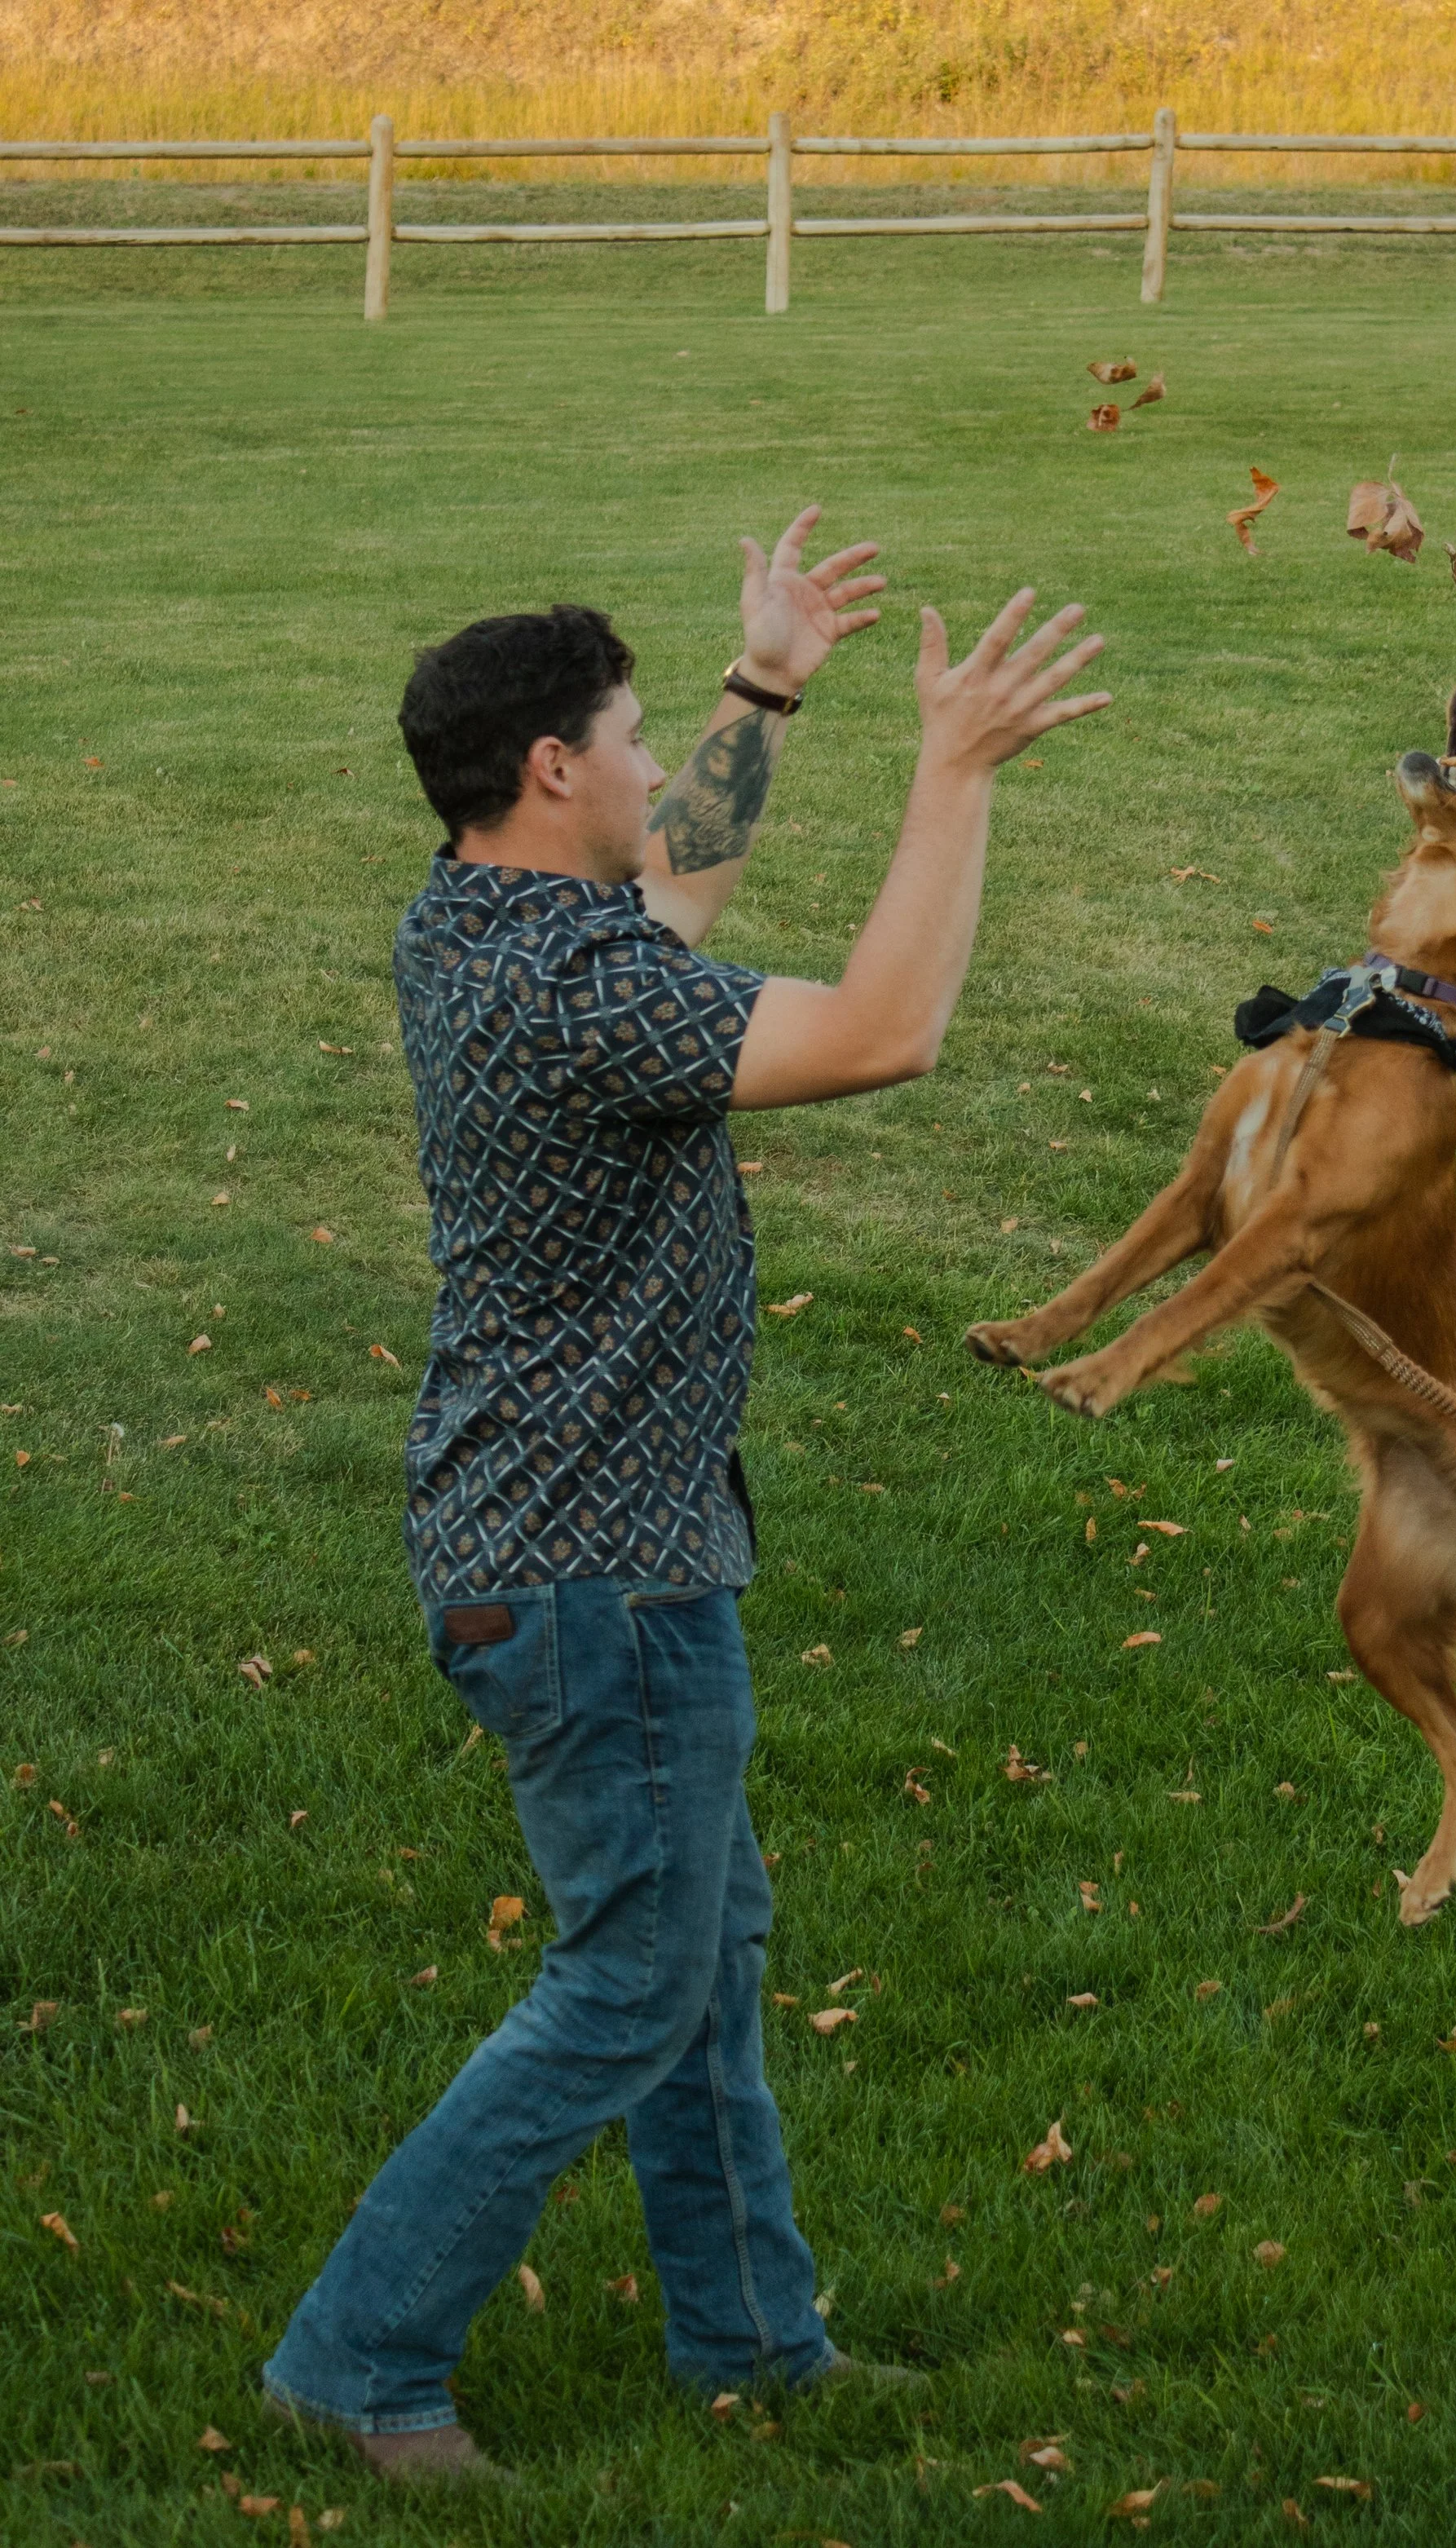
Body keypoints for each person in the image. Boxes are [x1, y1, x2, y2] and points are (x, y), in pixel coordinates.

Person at [262, 509, 1109, 2481]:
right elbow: (885, 1030)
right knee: (634, 1976)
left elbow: (674, 906)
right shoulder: (565, 990)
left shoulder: (483, 924)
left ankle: (748, 2338)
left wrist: (764, 685)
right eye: (633, 736)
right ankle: (354, 2359)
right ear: (552, 767)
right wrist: (954, 770)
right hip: (589, 1573)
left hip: (571, 1542)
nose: (655, 770)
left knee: (698, 1957)